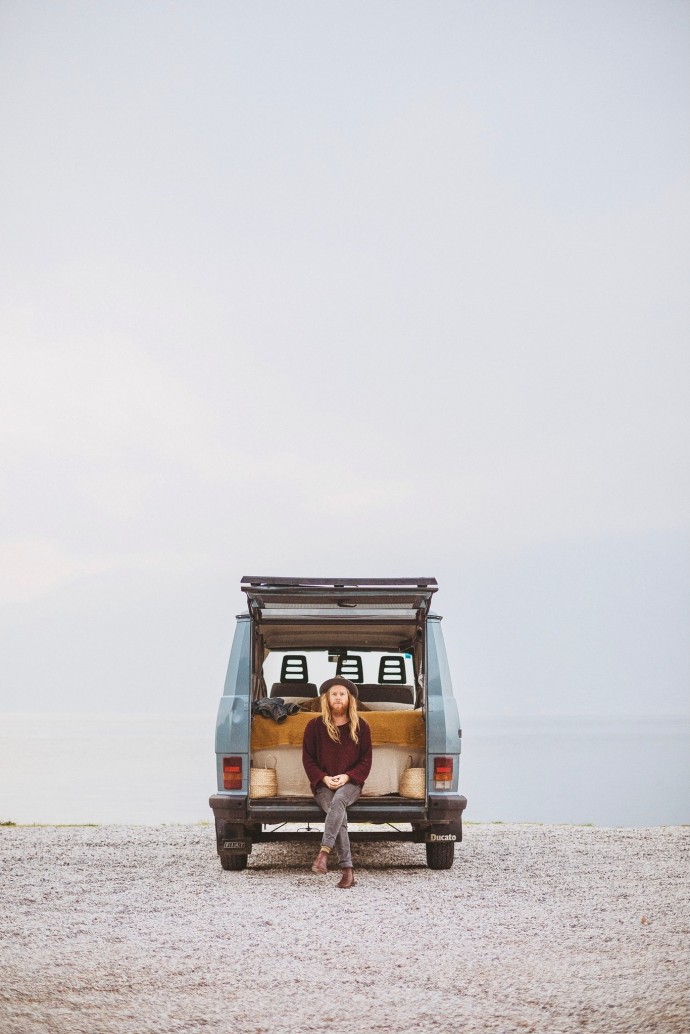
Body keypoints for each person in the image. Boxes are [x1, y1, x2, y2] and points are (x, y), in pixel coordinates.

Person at [302, 676, 372, 888]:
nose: (338, 698)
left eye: (342, 694)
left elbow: (366, 760)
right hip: (323, 785)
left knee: (339, 801)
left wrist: (347, 776)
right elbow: (308, 759)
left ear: (349, 699)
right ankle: (347, 871)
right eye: (334, 694)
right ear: (327, 699)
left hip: (351, 784)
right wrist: (323, 778)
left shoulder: (361, 726)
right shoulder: (314, 726)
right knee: (337, 813)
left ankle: (324, 852)